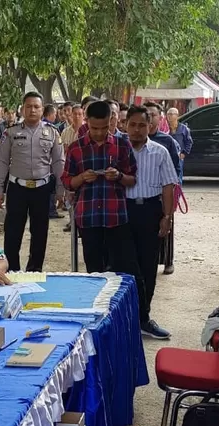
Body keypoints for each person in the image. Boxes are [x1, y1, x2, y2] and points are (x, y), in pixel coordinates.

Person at [61, 100, 149, 327]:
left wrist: (118, 176)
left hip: (116, 218)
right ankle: (99, 321)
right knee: (95, 274)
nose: (99, 133)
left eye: (104, 127)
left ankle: (137, 320)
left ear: (111, 121)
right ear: (87, 123)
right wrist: (81, 178)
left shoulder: (121, 144)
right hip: (88, 219)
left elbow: (132, 179)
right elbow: (68, 181)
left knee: (127, 272)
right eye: (94, 128)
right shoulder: (76, 148)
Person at [0, 91, 65, 272]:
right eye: (29, 106)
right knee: (12, 233)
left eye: (36, 107)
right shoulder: (10, 133)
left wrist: (60, 190)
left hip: (42, 189)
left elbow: (58, 163)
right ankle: (12, 271)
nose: (32, 110)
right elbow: (2, 162)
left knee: (40, 233)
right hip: (17, 188)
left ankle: (34, 271)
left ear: (42, 110)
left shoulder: (52, 133)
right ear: (22, 109)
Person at [124, 106, 178, 340]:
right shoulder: (116, 149)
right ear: (125, 125)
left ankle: (144, 319)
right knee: (124, 268)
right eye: (132, 125)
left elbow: (168, 185)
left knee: (148, 267)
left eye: (142, 125)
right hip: (121, 212)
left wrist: (167, 217)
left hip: (150, 210)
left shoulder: (160, 152)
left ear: (150, 126)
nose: (137, 130)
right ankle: (124, 320)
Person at [144, 102, 181, 276]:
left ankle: (168, 261)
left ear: (160, 118)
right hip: (144, 192)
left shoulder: (167, 142)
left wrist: (174, 190)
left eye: (154, 115)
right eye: (147, 114)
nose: (150, 118)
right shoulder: (132, 140)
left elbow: (176, 169)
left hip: (163, 192)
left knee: (166, 226)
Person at [60, 104, 85, 233]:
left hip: (83, 169)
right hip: (69, 168)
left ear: (83, 115)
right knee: (69, 196)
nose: (77, 116)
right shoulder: (65, 132)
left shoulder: (87, 131)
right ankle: (72, 221)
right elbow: (63, 150)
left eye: (79, 114)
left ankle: (81, 221)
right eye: (74, 114)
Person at [166, 107, 193, 183]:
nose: (169, 116)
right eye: (168, 114)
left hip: (178, 155)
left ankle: (178, 192)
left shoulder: (184, 129)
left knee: (178, 176)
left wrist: (184, 153)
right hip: (167, 155)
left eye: (172, 114)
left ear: (177, 116)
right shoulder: (165, 128)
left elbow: (189, 142)